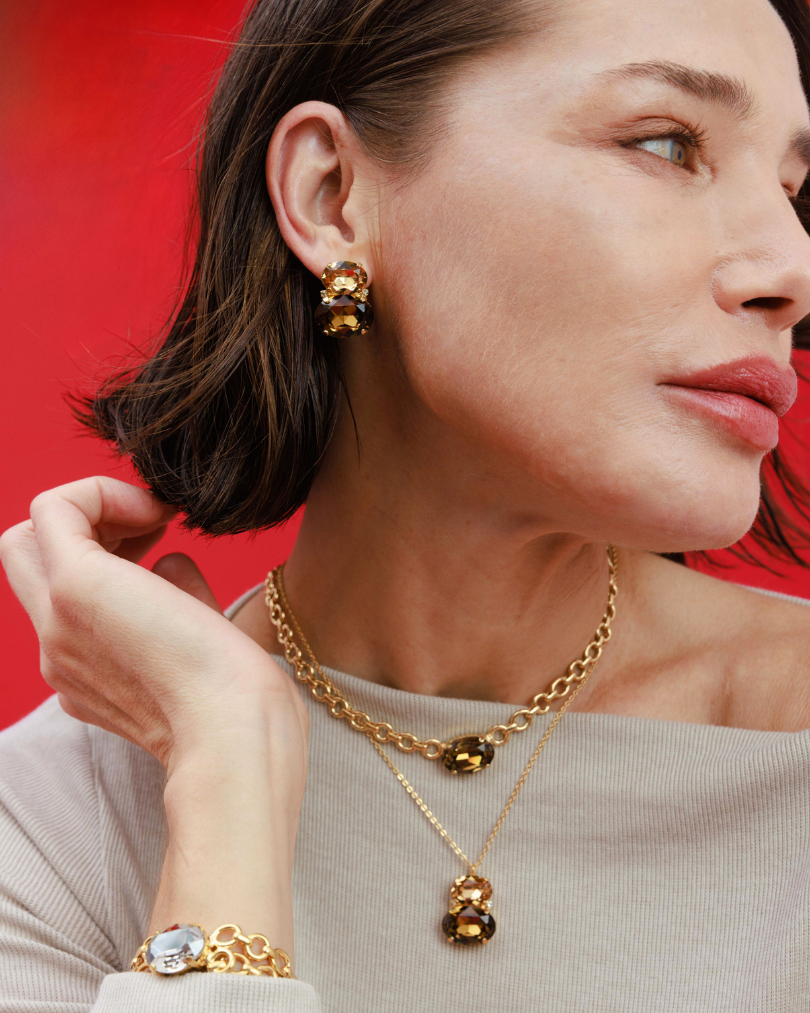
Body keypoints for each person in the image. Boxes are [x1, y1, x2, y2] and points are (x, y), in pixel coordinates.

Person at [3, 0, 810, 1007]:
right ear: (333, 195)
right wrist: (226, 761)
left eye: (792, 191)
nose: (792, 271)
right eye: (666, 142)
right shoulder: (49, 832)